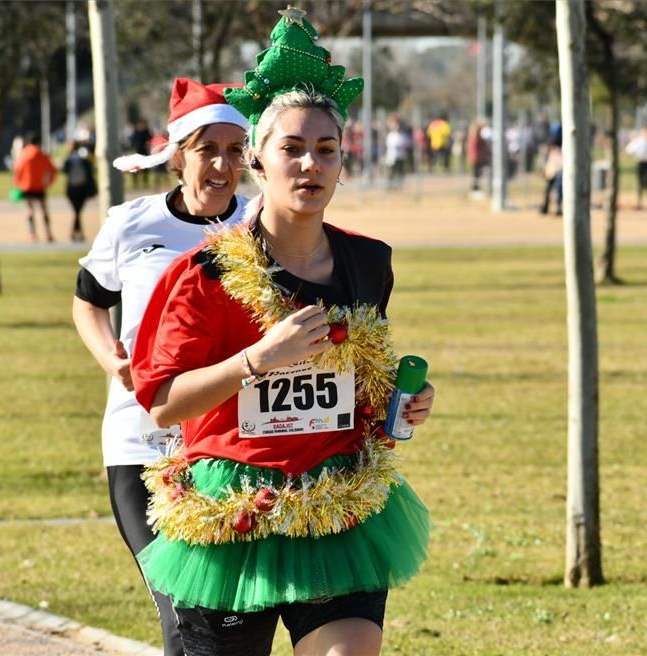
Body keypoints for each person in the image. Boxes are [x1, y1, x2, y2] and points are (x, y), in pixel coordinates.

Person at [131, 11, 434, 655]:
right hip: (232, 513)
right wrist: (256, 360)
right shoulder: (205, 274)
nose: (309, 165)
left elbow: (356, 381)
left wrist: (397, 407)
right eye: (291, 149)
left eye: (326, 150)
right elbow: (162, 401)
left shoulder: (368, 262)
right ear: (257, 163)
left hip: (336, 503)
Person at [73, 78, 250, 656]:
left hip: (231, 445)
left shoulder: (262, 225)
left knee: (230, 619)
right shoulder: (132, 223)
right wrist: (111, 358)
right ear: (178, 156)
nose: (222, 165)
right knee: (184, 613)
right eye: (207, 150)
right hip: (142, 442)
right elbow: (88, 302)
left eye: (235, 150)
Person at [13, 133, 57, 242]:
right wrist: (49, 182)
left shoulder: (24, 155)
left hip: (27, 186)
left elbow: (18, 170)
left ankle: (32, 234)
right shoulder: (43, 155)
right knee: (44, 210)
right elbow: (53, 170)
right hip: (40, 186)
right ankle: (48, 233)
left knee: (29, 210)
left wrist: (17, 183)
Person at [61, 141, 97, 242]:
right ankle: (78, 234)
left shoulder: (70, 158)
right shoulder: (83, 158)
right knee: (77, 212)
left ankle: (75, 233)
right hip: (80, 188)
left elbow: (64, 170)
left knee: (77, 212)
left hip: (74, 188)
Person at [624, 125, 647, 210]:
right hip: (640, 163)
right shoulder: (638, 141)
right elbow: (629, 150)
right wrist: (626, 155)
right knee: (640, 182)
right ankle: (639, 201)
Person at [540, 132, 563, 216]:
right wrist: (545, 172)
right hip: (551, 173)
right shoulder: (550, 152)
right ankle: (545, 208)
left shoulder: (560, 151)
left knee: (559, 190)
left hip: (559, 173)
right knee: (547, 190)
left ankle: (558, 207)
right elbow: (548, 165)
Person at [384, 115, 409, 189]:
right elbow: (389, 145)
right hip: (392, 156)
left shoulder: (402, 135)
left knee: (401, 171)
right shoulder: (390, 135)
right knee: (391, 171)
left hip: (401, 156)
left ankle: (400, 184)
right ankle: (390, 185)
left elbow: (406, 143)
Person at [467, 118, 490, 197]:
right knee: (476, 175)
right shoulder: (476, 136)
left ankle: (476, 189)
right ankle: (475, 190)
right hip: (478, 158)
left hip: (476, 157)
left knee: (477, 174)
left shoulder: (474, 135)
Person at [129, 119, 153, 190]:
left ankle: (145, 182)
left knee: (145, 168)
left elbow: (151, 139)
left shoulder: (146, 132)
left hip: (144, 153)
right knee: (135, 169)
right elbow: (132, 141)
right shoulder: (135, 132)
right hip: (137, 153)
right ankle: (135, 183)